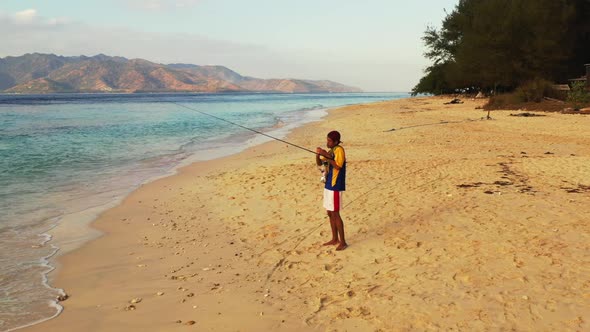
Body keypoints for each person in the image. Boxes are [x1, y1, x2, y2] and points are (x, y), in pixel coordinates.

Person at [316, 130, 347, 251]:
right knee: (329, 212)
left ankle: (343, 242)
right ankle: (335, 238)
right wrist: (318, 154)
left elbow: (338, 165)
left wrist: (327, 157)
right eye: (327, 140)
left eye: (329, 140)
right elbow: (320, 163)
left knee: (335, 213)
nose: (327, 142)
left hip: (335, 185)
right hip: (328, 184)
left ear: (335, 141)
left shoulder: (339, 150)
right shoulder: (330, 151)